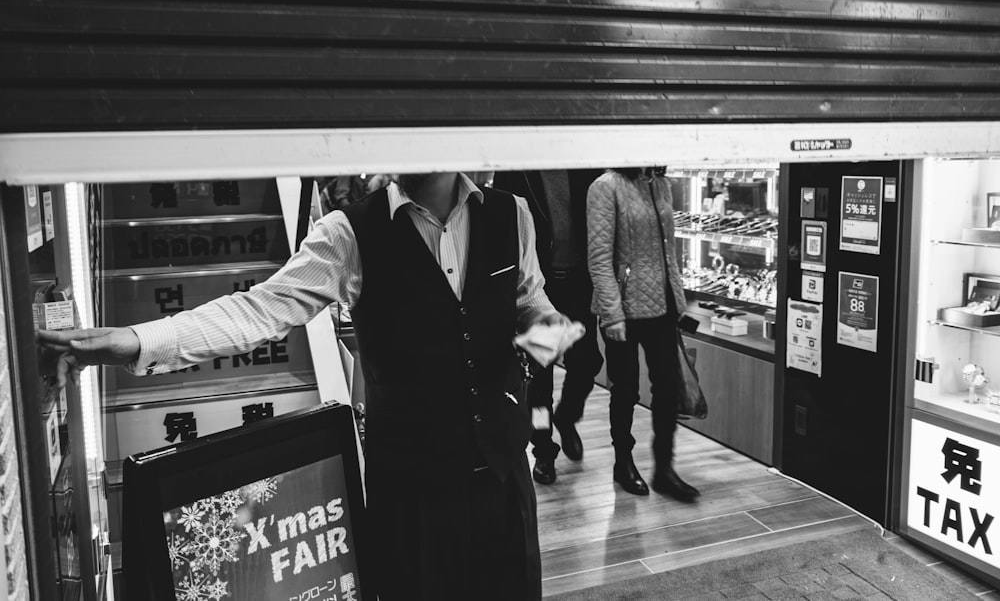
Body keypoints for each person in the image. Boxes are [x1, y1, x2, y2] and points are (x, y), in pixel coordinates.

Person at [39, 172, 572, 600]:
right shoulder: (350, 233)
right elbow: (260, 310)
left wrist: (545, 330)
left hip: (504, 478)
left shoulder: (511, 214)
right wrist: (134, 340)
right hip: (414, 493)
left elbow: (528, 298)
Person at [586, 168, 699, 501]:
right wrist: (612, 313)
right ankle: (623, 463)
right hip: (624, 308)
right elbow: (599, 258)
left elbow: (669, 252)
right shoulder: (605, 186)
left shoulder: (660, 184)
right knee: (625, 389)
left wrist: (677, 298)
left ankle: (665, 468)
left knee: (667, 387)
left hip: (662, 305)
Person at [492, 170, 604, 485]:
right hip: (539, 287)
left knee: (588, 363)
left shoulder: (583, 168)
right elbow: (501, 223)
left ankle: (567, 417)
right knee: (540, 383)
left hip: (580, 283)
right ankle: (543, 447)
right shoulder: (517, 169)